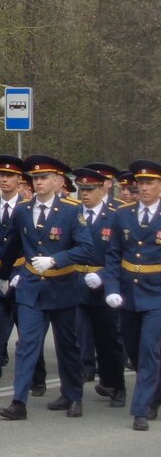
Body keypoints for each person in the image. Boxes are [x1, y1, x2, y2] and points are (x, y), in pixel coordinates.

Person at [0, 155, 93, 420]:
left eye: (43, 178)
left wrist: (55, 260)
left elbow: (86, 248)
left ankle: (73, 396)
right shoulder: (24, 210)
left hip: (62, 286)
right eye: (35, 178)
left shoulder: (72, 211)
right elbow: (13, 244)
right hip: (31, 287)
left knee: (67, 346)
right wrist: (4, 274)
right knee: (26, 344)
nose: (38, 182)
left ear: (57, 181)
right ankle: (19, 401)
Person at [101, 159, 161, 430]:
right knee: (135, 351)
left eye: (151, 183)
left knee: (149, 350)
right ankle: (154, 392)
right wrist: (111, 288)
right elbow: (113, 255)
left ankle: (141, 409)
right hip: (129, 293)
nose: (145, 187)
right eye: (142, 183)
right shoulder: (122, 214)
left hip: (157, 294)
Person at [0, 155, 45, 400]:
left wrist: (23, 272)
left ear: (20, 180)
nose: (4, 180)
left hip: (22, 275)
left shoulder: (28, 208)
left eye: (10, 176)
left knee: (27, 331)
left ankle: (37, 377)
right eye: (1, 175)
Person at [72, 166, 126, 406]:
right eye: (81, 189)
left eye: (90, 189)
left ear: (102, 189)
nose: (84, 194)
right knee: (74, 336)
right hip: (75, 283)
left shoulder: (116, 215)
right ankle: (74, 387)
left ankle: (115, 385)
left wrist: (103, 275)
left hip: (105, 285)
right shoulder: (71, 213)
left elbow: (122, 254)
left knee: (108, 340)